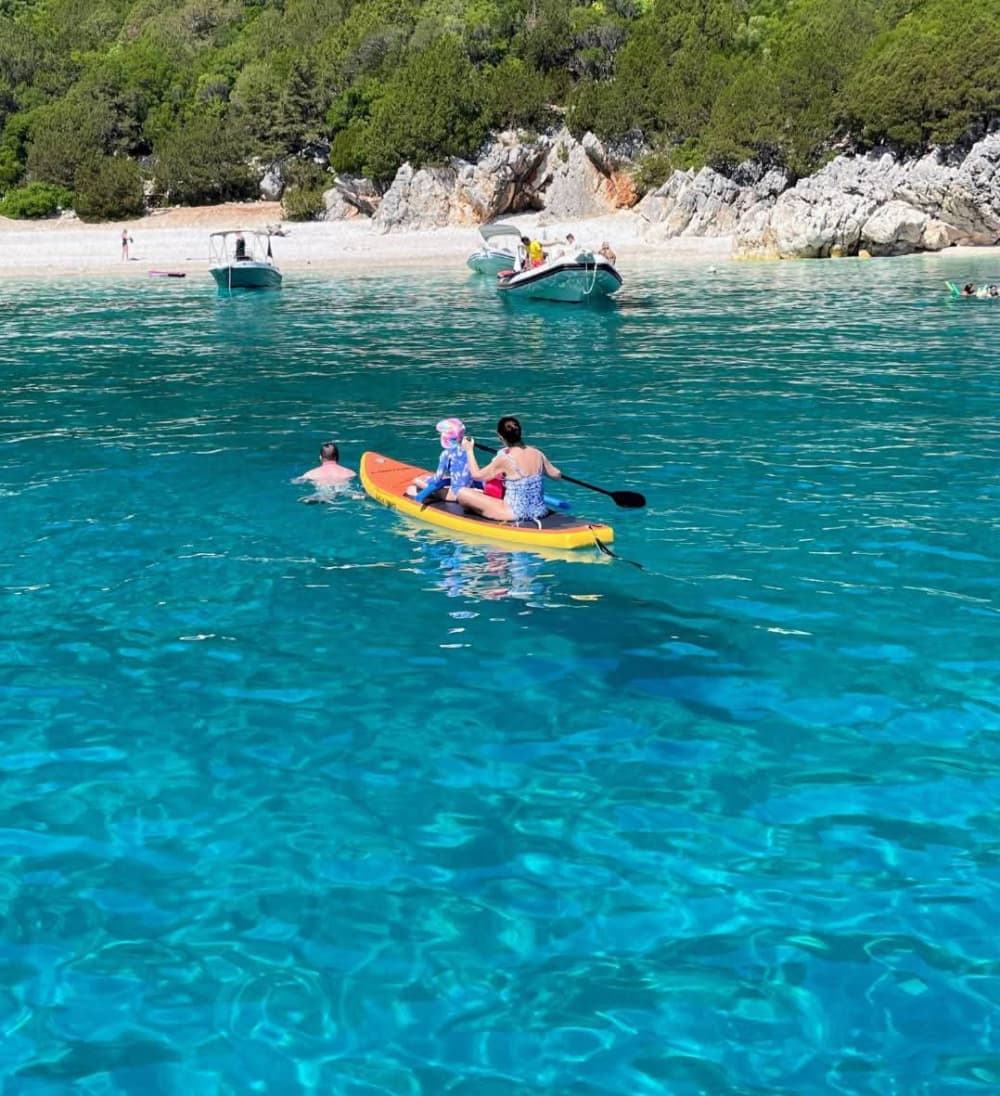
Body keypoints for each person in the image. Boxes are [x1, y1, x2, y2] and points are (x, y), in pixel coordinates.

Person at [456, 416, 562, 524]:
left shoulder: (505, 459)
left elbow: (476, 475)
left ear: (500, 437)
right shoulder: (537, 453)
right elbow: (556, 474)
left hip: (514, 513)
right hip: (540, 511)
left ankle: (478, 515)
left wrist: (469, 450)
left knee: (462, 493)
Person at [405, 417, 477, 501]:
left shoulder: (446, 454)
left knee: (415, 482)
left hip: (455, 494)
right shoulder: (467, 449)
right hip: (468, 488)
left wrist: (428, 480)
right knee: (440, 480)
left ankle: (419, 496)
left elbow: (437, 479)